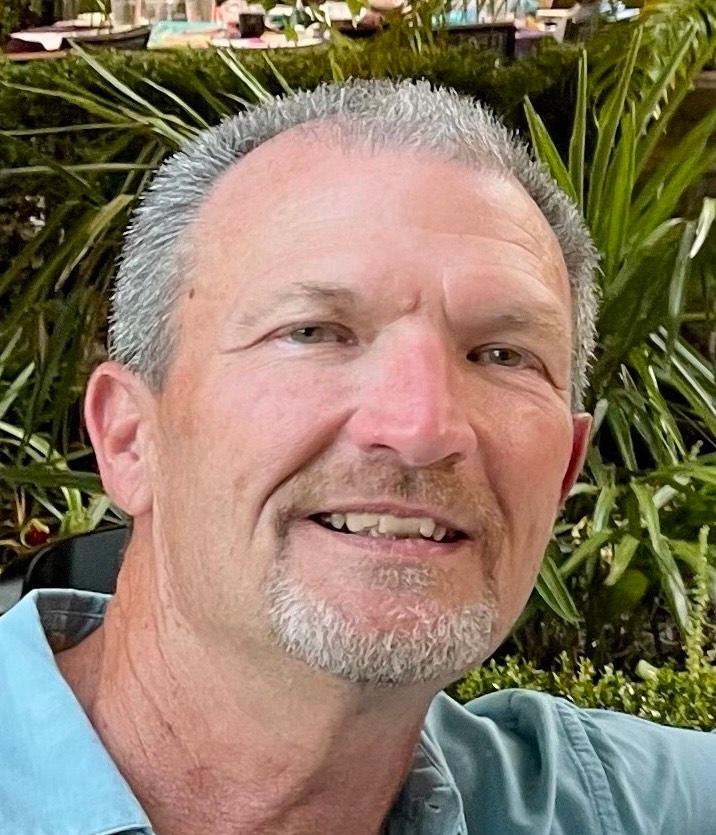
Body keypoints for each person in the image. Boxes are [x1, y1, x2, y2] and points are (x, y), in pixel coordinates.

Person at [1, 79, 714, 835]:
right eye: (313, 332)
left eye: (502, 354)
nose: (422, 427)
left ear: (564, 472)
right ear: (129, 437)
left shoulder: (613, 808)